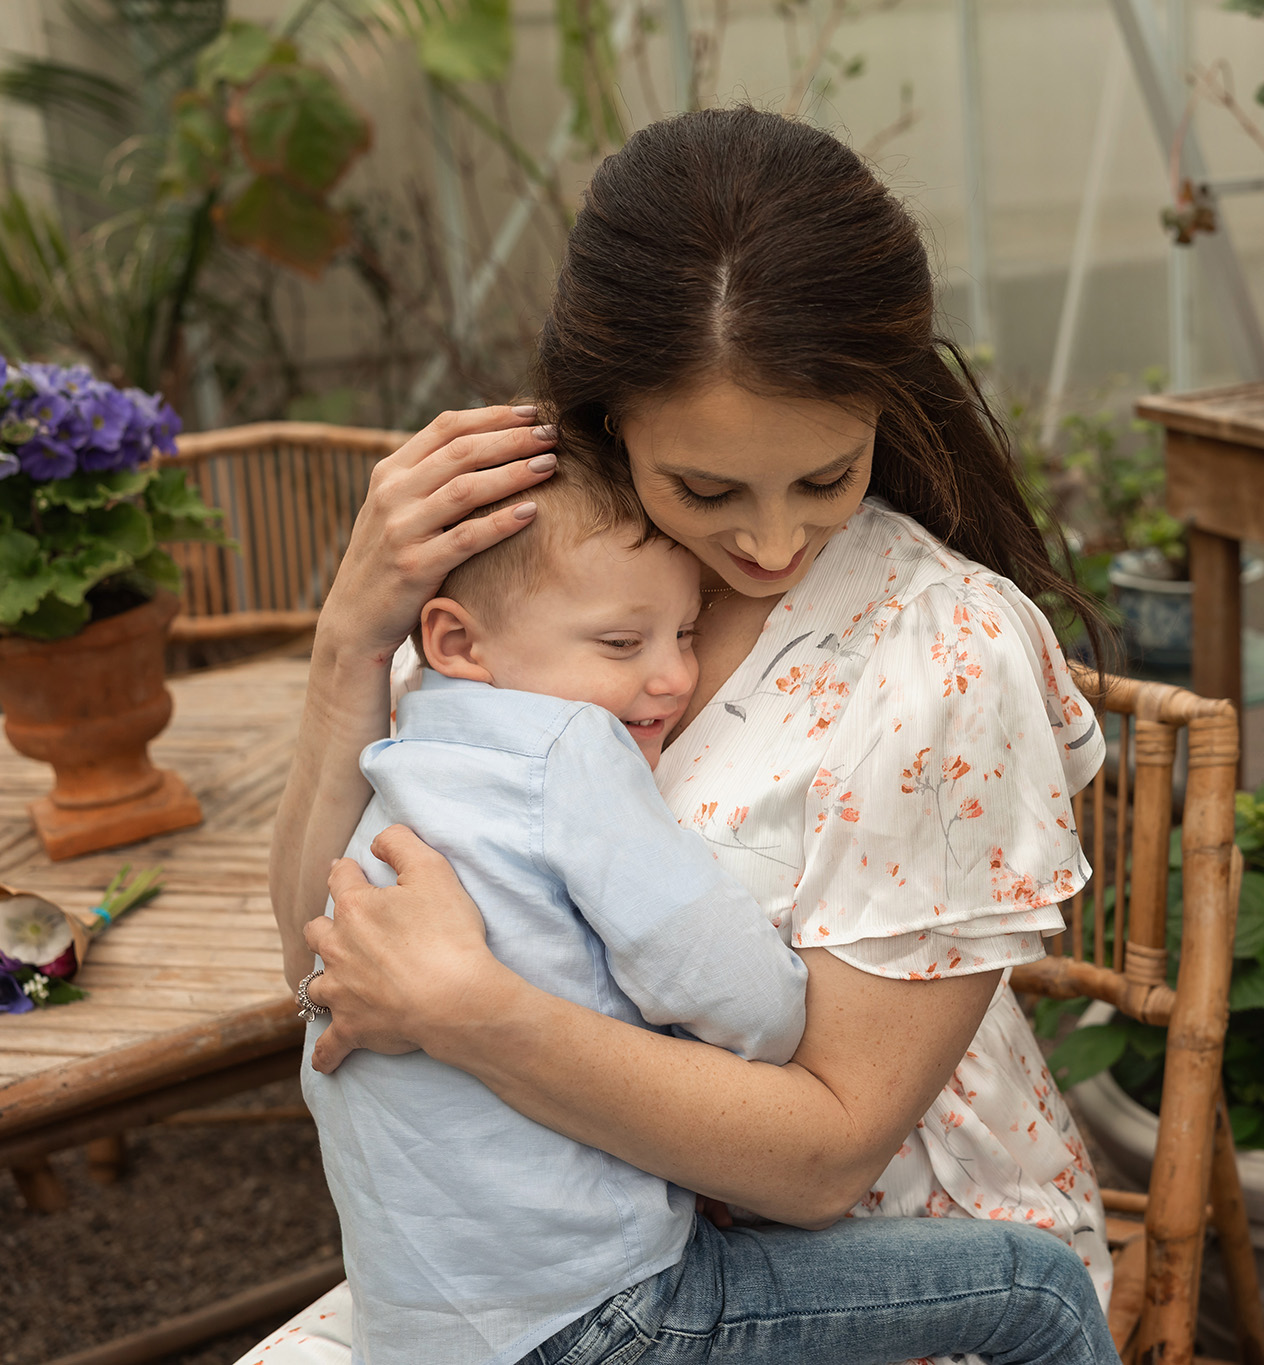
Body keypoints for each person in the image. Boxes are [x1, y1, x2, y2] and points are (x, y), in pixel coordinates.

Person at [258, 106, 1113, 1365]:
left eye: (827, 476)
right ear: (607, 422)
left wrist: (471, 1013)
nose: (769, 546)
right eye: (704, 490)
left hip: (881, 1278)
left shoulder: (940, 657)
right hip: (553, 1273)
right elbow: (319, 960)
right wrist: (347, 646)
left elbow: (826, 1161)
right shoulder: (534, 583)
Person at [301, 460, 1114, 1365]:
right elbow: (741, 998)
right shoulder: (573, 738)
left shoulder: (429, 725)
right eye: (623, 646)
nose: (672, 676)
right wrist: (346, 640)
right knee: (1038, 1289)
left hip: (422, 1317)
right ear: (454, 639)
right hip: (602, 1307)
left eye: (686, 632)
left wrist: (468, 1007)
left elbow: (326, 945)